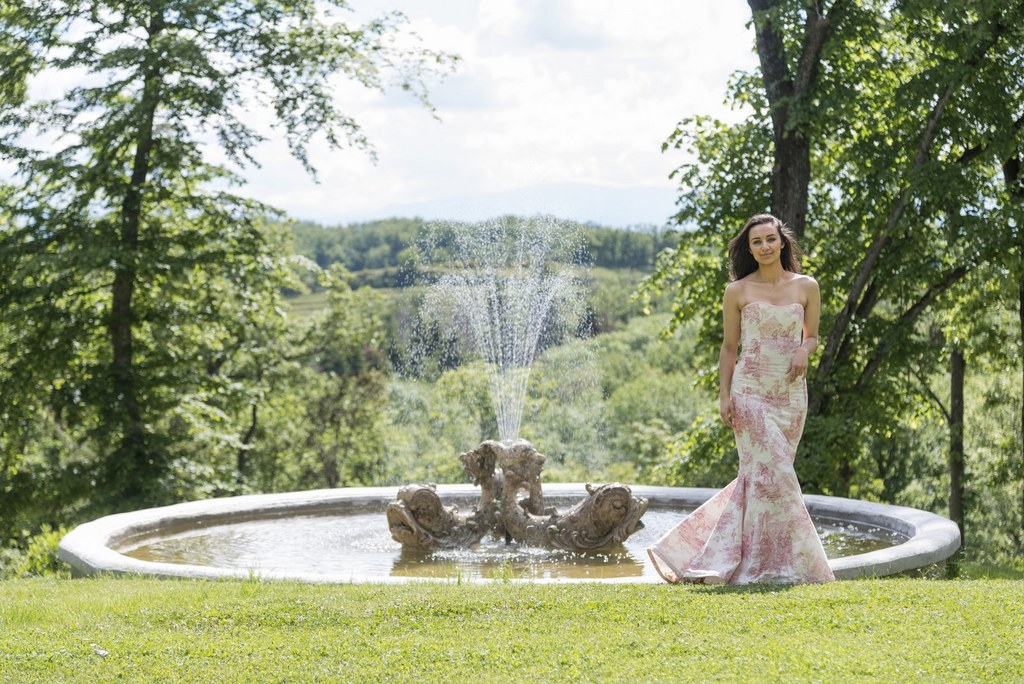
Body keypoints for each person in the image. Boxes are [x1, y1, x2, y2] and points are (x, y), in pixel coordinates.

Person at [647, 214, 835, 584]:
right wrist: (723, 396)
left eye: (770, 239)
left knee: (763, 478)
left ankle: (722, 555)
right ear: (749, 249)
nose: (764, 247)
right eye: (756, 242)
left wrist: (805, 350)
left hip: (790, 395)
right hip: (749, 392)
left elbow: (812, 335)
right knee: (775, 471)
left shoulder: (806, 286)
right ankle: (805, 566)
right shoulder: (738, 291)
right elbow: (729, 348)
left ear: (782, 241)